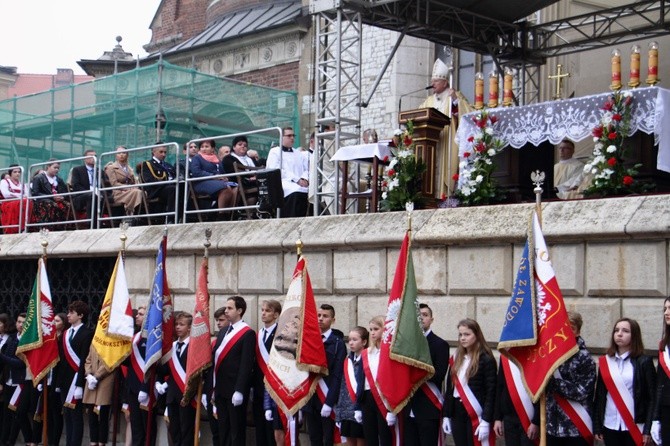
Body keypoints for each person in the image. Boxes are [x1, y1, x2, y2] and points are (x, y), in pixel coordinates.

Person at [594, 317, 655, 445]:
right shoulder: (606, 362)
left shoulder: (644, 362)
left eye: (625, 331)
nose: (619, 334)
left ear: (635, 336)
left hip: (635, 426)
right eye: (616, 330)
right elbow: (600, 396)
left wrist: (648, 429)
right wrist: (597, 425)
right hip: (610, 424)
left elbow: (652, 399)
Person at [419, 58, 473, 198]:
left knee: (446, 171)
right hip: (432, 144)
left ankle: (445, 197)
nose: (432, 84)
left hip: (448, 141)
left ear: (445, 82)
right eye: (432, 81)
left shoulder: (454, 96)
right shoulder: (428, 101)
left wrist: (455, 101)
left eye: (436, 81)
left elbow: (467, 114)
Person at [544, 311, 596, 445]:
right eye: (563, 327)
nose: (566, 331)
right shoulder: (550, 354)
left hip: (576, 427)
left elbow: (581, 391)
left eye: (571, 328)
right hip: (552, 427)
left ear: (577, 332)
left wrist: (555, 383)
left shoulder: (585, 358)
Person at [442, 318, 496, 446]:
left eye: (467, 334)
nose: (462, 338)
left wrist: (486, 421)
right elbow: (450, 389)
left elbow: (491, 391)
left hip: (476, 412)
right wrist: (447, 415)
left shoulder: (486, 359)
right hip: (457, 411)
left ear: (476, 335)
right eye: (460, 334)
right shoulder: (456, 358)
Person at [404, 303, 450, 446]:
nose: (422, 318)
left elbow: (439, 374)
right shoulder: (406, 344)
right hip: (408, 407)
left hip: (428, 406)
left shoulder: (440, 344)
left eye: (425, 315)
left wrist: (416, 372)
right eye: (418, 315)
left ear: (431, 319)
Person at [213, 296, 256, 446]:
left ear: (239, 310)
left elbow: (246, 364)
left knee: (236, 431)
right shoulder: (223, 331)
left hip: (234, 391)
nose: (226, 311)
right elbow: (215, 360)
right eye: (226, 308)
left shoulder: (247, 333)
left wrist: (239, 390)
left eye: (230, 308)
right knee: (223, 429)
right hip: (220, 389)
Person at [303, 303, 346, 446]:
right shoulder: (309, 340)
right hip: (310, 397)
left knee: (328, 439)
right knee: (314, 438)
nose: (320, 319)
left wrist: (329, 402)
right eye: (319, 315)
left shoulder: (338, 343)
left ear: (333, 320)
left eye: (325, 316)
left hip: (326, 397)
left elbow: (338, 374)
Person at [155, 312, 195, 446]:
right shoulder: (171, 347)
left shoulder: (194, 347)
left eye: (182, 324)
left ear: (189, 328)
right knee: (174, 431)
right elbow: (166, 370)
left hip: (187, 395)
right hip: (172, 395)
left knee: (186, 431)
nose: (178, 327)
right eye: (176, 324)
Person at [58, 301, 94, 446]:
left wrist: (80, 384)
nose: (68, 315)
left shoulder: (87, 333)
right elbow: (61, 360)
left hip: (76, 381)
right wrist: (57, 383)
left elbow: (84, 360)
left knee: (76, 416)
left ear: (80, 315)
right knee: (66, 415)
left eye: (71, 313)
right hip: (65, 381)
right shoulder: (66, 334)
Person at [360, 315, 394, 446]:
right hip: (368, 397)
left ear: (384, 329)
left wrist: (391, 409)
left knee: (385, 436)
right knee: (370, 436)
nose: (372, 332)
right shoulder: (367, 352)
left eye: (376, 329)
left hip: (384, 398)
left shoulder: (390, 352)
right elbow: (361, 378)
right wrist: (358, 405)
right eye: (371, 329)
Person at [493, 355, 540, 445]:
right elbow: (500, 386)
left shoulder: (536, 354)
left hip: (529, 417)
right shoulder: (506, 355)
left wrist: (536, 421)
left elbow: (540, 390)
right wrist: (497, 418)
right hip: (509, 416)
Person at [253, 299, 281, 446]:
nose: (263, 313)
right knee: (260, 429)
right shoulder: (258, 334)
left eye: (267, 311)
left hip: (275, 390)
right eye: (262, 310)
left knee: (273, 432)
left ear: (276, 315)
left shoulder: (280, 335)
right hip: (259, 388)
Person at [267, 127, 309, 218]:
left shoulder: (298, 153)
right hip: (283, 182)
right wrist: (297, 179)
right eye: (289, 136)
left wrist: (304, 179)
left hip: (301, 183)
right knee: (294, 190)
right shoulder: (275, 151)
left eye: (293, 135)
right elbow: (275, 170)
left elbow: (306, 168)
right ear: (281, 137)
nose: (292, 138)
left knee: (312, 191)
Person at [337, 326, 367, 446]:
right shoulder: (347, 360)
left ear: (364, 342)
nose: (351, 343)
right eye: (349, 339)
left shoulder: (368, 359)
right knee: (349, 440)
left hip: (361, 408)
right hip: (346, 410)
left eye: (355, 339)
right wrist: (339, 412)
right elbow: (343, 387)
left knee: (361, 441)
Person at [83, 339, 117, 446]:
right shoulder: (95, 341)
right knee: (92, 416)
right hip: (91, 382)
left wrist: (97, 376)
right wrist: (88, 374)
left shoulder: (113, 342)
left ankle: (102, 442)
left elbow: (110, 361)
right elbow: (88, 360)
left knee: (103, 416)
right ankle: (93, 442)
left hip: (104, 381)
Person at [190, 139, 238, 214]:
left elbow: (222, 172)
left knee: (236, 188)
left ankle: (230, 213)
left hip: (218, 181)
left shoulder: (217, 159)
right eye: (202, 147)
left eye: (206, 146)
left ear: (212, 148)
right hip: (202, 182)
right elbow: (196, 172)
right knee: (225, 187)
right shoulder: (197, 158)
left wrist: (225, 177)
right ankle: (222, 214)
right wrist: (214, 176)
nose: (204, 149)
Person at [139, 145, 178, 222]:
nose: (164, 154)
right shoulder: (147, 164)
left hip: (168, 187)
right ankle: (171, 218)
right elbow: (148, 180)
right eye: (161, 152)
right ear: (153, 152)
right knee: (172, 189)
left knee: (183, 187)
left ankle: (182, 216)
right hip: (156, 190)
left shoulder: (168, 165)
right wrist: (167, 182)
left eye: (165, 152)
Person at [104, 146, 145, 217]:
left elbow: (134, 182)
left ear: (127, 155)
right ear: (116, 155)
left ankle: (140, 215)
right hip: (118, 193)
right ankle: (135, 215)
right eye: (119, 153)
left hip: (130, 191)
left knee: (143, 192)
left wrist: (136, 185)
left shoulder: (129, 168)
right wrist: (128, 188)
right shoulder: (111, 168)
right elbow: (113, 184)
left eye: (124, 153)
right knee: (137, 192)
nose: (121, 155)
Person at [30, 159, 71, 229]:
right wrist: (52, 197)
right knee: (51, 205)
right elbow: (35, 193)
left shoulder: (59, 179)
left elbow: (65, 192)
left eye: (58, 168)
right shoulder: (38, 178)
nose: (57, 170)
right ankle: (47, 227)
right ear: (48, 167)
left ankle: (63, 227)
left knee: (68, 205)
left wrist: (62, 197)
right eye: (55, 167)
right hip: (43, 200)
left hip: (57, 199)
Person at [221, 135, 259, 207]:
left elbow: (259, 168)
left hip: (255, 181)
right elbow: (233, 173)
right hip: (241, 183)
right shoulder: (228, 159)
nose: (243, 146)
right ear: (234, 147)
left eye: (245, 145)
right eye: (240, 144)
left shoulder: (251, 159)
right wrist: (251, 177)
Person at [653, 297, 670, 445]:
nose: (666, 313)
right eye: (665, 309)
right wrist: (655, 418)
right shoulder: (664, 346)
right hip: (667, 408)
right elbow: (659, 384)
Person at [69, 149, 99, 220]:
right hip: (82, 195)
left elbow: (106, 184)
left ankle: (117, 222)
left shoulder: (99, 171)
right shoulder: (77, 170)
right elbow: (76, 185)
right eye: (91, 156)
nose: (93, 158)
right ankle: (91, 223)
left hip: (98, 193)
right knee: (91, 196)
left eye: (95, 156)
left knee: (111, 196)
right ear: (85, 158)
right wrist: (90, 191)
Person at [0, 164, 30, 233]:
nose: (17, 174)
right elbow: (6, 194)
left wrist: (18, 196)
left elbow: (27, 195)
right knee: (23, 202)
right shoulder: (4, 181)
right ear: (10, 172)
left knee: (29, 202)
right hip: (8, 202)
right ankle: (14, 229)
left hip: (21, 202)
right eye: (15, 172)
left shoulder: (23, 184)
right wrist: (20, 196)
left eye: (19, 172)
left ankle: (24, 227)